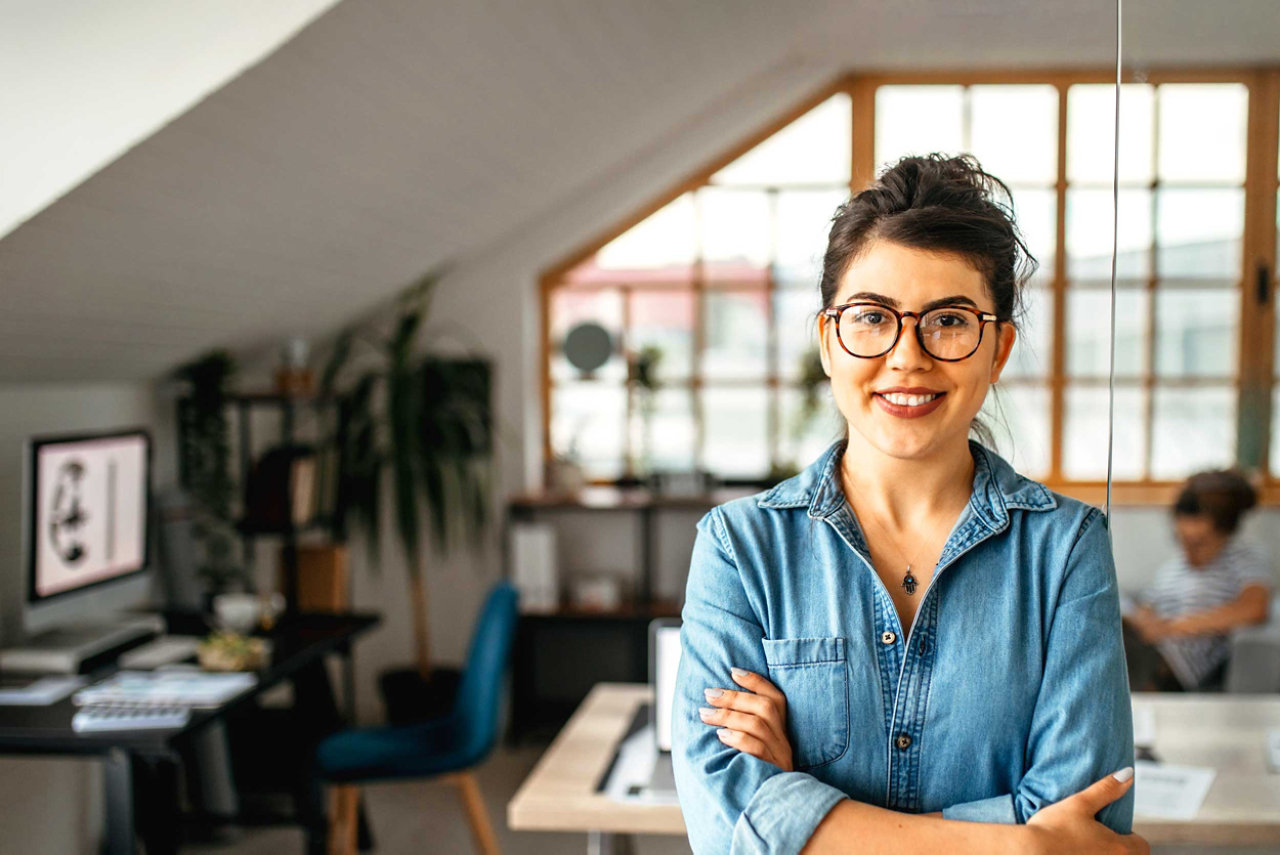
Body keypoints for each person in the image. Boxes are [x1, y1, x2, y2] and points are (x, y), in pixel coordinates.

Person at [672, 154, 1147, 855]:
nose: (907, 357)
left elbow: (1086, 820)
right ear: (829, 341)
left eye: (949, 321)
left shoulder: (1067, 549)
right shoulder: (741, 548)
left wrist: (798, 802)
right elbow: (726, 827)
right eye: (871, 317)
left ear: (998, 348)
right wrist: (1015, 844)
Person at [1124, 470, 1273, 692]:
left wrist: (1173, 627)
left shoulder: (1243, 558)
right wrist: (1144, 618)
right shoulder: (1175, 566)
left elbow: (1255, 608)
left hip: (1175, 665)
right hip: (1146, 647)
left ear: (1223, 532)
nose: (1190, 550)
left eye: (1200, 542)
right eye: (1183, 540)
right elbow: (1148, 603)